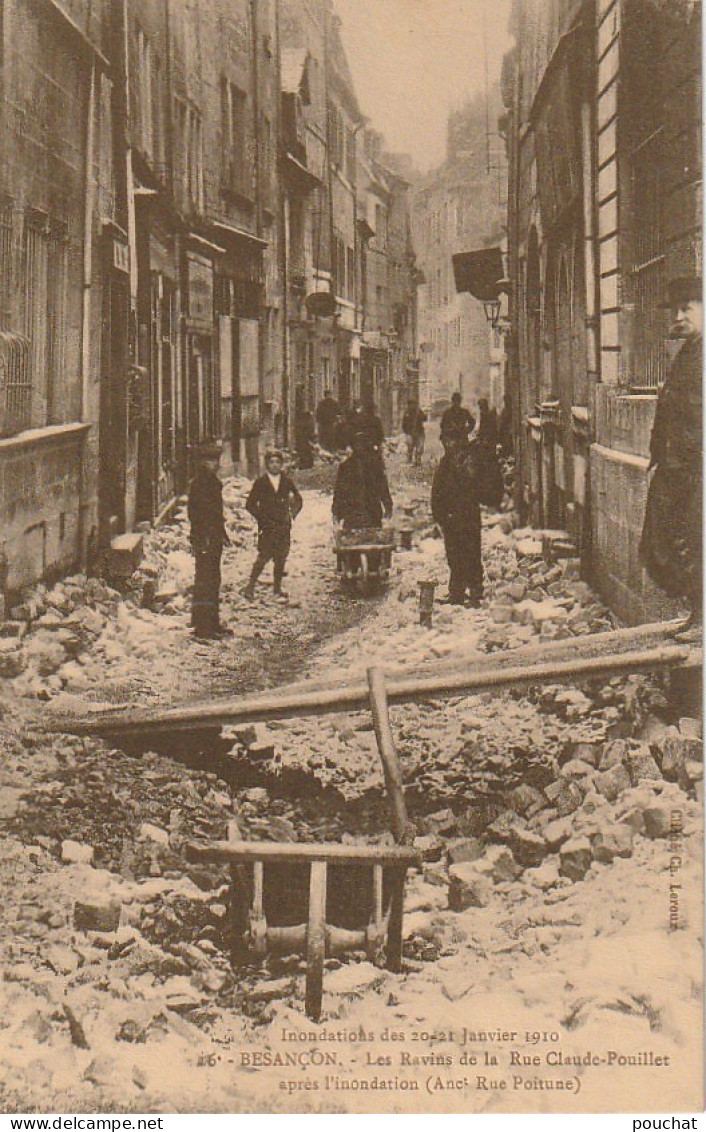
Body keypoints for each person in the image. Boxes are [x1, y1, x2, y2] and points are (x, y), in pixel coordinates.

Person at [640, 275, 703, 643]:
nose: (678, 316)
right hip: (677, 464)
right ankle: (697, 611)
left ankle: (702, 619)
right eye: (675, 310)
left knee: (696, 540)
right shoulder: (691, 352)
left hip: (695, 467)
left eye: (687, 308)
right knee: (663, 542)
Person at [242, 450, 303, 601]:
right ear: (266, 464)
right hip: (267, 526)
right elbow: (250, 504)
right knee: (263, 556)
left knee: (281, 557)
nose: (275, 465)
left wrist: (292, 515)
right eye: (271, 462)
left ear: (281, 465)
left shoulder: (286, 481)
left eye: (277, 462)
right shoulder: (261, 482)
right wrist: (261, 518)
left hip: (283, 525)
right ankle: (250, 587)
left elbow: (299, 499)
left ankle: (277, 589)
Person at [431, 436, 483, 607]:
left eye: (453, 440)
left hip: (468, 518)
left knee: (472, 554)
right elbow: (437, 491)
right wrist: (439, 516)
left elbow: (475, 487)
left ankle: (476, 592)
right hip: (450, 520)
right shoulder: (444, 464)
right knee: (454, 557)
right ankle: (456, 592)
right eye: (447, 441)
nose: (449, 444)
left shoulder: (469, 461)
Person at [188, 441, 229, 639]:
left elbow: (216, 513)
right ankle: (203, 627)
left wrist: (222, 532)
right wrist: (201, 537)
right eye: (211, 460)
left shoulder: (211, 481)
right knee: (205, 579)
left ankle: (212, 622)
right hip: (204, 538)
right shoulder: (199, 484)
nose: (215, 463)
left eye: (216, 460)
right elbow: (196, 514)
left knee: (213, 578)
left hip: (213, 537)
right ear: (203, 462)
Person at [333, 431, 393, 531]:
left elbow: (383, 486)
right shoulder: (345, 466)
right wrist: (336, 512)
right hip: (352, 511)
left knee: (373, 537)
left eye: (363, 444)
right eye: (357, 444)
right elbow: (339, 490)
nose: (360, 447)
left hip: (372, 510)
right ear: (353, 446)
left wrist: (388, 505)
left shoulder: (375, 465)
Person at [402, 400, 427, 465]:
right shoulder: (407, 413)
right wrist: (406, 432)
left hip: (419, 432)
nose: (412, 406)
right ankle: (409, 458)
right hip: (410, 432)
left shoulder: (419, 412)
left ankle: (418, 459)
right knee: (410, 446)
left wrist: (421, 414)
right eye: (410, 405)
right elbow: (404, 423)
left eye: (413, 404)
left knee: (419, 446)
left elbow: (425, 418)